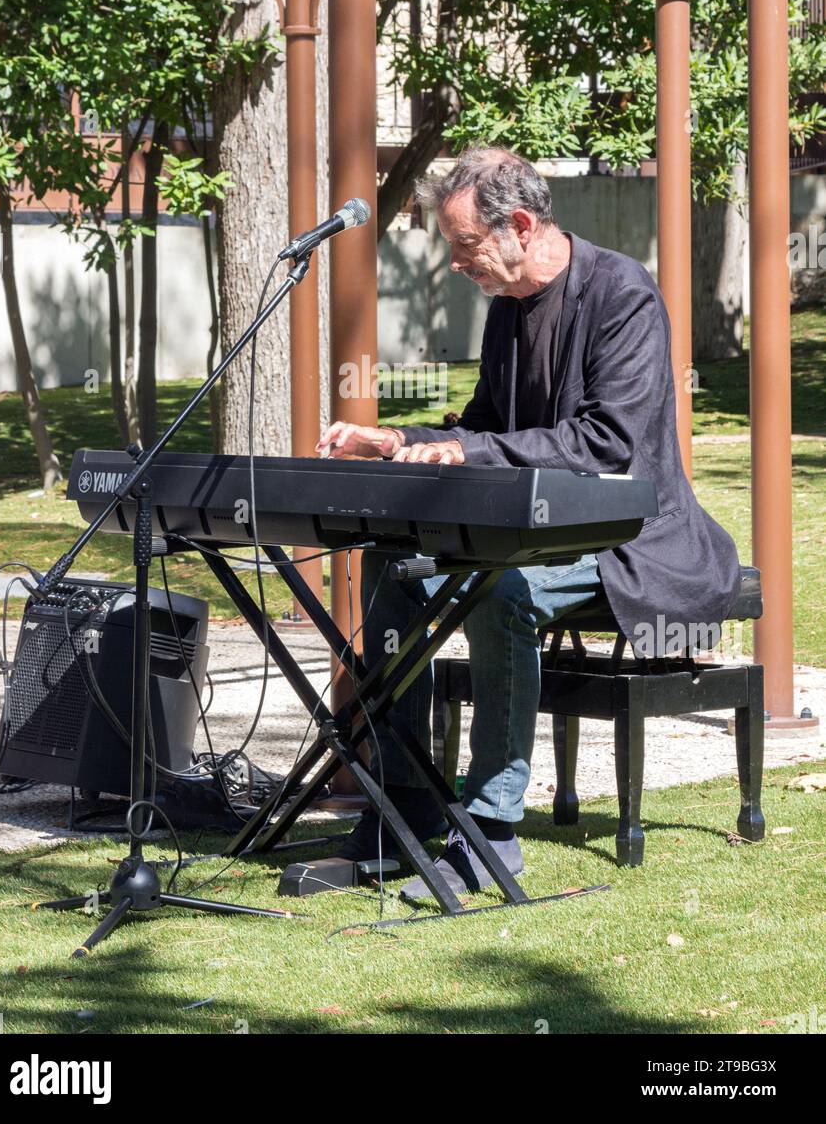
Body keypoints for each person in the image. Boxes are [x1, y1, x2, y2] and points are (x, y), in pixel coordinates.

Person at [316, 146, 740, 899]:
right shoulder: (507, 311)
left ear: (518, 225)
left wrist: (463, 448)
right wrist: (400, 443)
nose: (454, 264)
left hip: (629, 541)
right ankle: (405, 806)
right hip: (531, 530)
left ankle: (491, 832)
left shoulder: (622, 294)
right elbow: (480, 428)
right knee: (390, 560)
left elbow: (607, 445)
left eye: (464, 246)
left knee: (498, 588)